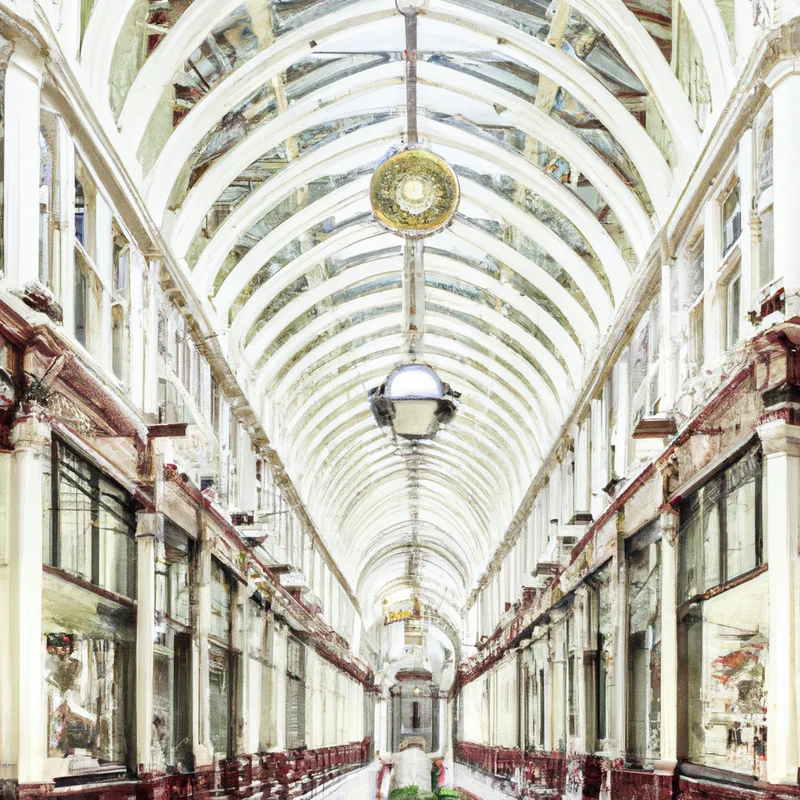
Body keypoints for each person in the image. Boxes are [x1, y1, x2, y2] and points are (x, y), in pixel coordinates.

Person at [375, 737, 444, 799]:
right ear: (422, 747)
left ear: (405, 746)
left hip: (401, 795)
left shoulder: (397, 756)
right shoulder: (427, 757)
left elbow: (382, 761)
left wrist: (378, 790)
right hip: (424, 795)